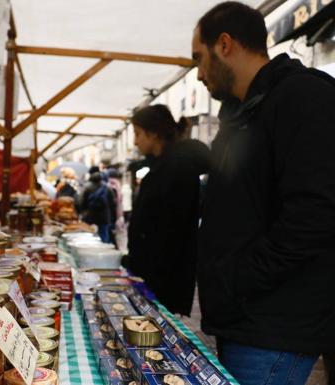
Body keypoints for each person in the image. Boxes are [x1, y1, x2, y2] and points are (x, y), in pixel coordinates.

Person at [192, 3, 335, 384]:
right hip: (244, 320)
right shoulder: (242, 113)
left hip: (273, 327)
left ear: (224, 44)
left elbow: (315, 215)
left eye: (198, 58)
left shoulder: (303, 97)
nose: (198, 75)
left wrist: (238, 277)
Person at [126, 105, 210, 316]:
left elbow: (170, 232)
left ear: (153, 134)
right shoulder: (163, 167)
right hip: (153, 279)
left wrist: (141, 267)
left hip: (162, 283)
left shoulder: (175, 169)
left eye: (137, 134)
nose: (135, 142)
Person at [79, 172, 116, 243]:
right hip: (104, 216)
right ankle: (104, 250)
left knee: (90, 235)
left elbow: (81, 202)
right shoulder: (107, 187)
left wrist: (83, 213)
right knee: (104, 236)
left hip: (90, 216)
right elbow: (112, 203)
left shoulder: (87, 187)